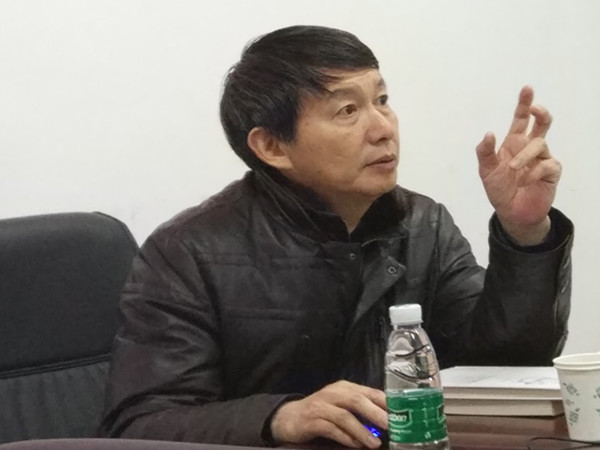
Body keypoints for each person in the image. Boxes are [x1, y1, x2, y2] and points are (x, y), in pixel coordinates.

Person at [98, 25, 573, 449]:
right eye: (348, 110)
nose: (383, 128)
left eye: (382, 100)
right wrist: (280, 418)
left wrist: (525, 232)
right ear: (272, 146)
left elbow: (508, 367)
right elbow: (140, 425)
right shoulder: (188, 252)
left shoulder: (421, 224)